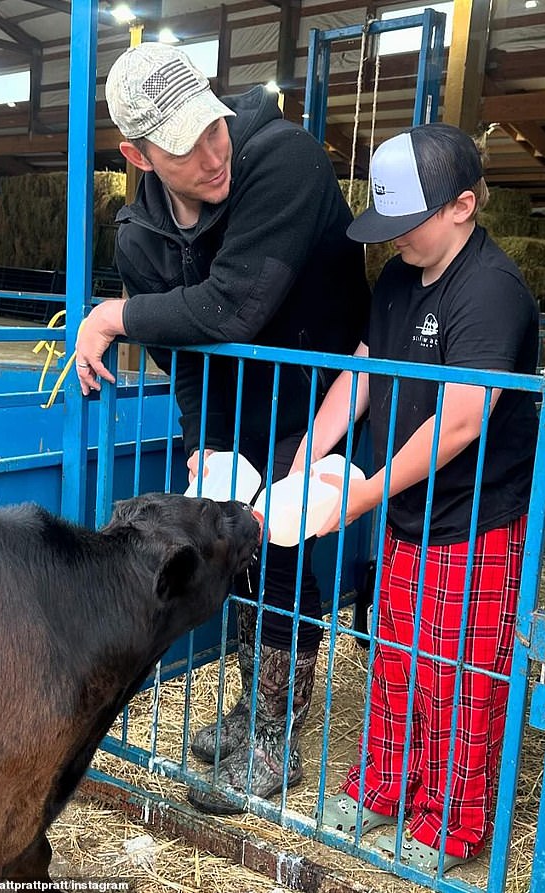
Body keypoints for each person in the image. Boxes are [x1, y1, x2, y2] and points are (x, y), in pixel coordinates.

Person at [74, 42, 370, 814]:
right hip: (234, 406)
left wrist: (111, 315)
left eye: (213, 127)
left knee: (277, 550)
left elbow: (231, 307)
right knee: (230, 549)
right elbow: (187, 350)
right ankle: (249, 707)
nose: (213, 154)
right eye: (185, 146)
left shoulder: (284, 161)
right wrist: (202, 436)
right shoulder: (138, 236)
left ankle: (276, 737)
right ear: (136, 155)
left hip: (316, 395)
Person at [292, 123, 539, 871]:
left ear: (463, 205)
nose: (392, 238)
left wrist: (361, 494)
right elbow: (363, 371)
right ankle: (383, 783)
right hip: (407, 512)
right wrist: (311, 454)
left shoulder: (492, 291)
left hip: (475, 518)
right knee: (396, 660)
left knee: (459, 676)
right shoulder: (400, 277)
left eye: (408, 222)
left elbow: (462, 418)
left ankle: (454, 822)